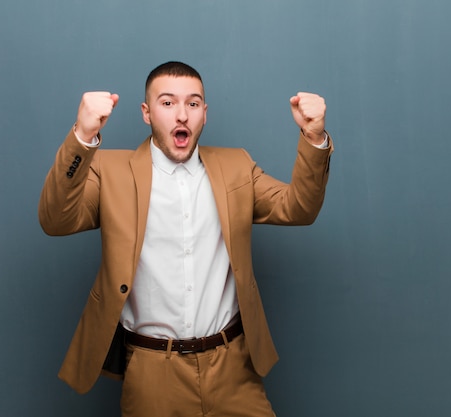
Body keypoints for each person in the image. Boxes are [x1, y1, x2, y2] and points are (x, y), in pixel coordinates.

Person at [39, 61, 333, 417]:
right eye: (167, 103)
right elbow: (56, 219)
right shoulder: (110, 170)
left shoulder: (236, 166)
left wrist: (314, 138)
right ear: (146, 113)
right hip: (152, 372)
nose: (182, 115)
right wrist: (82, 138)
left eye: (193, 104)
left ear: (204, 114)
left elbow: (299, 208)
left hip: (233, 366)